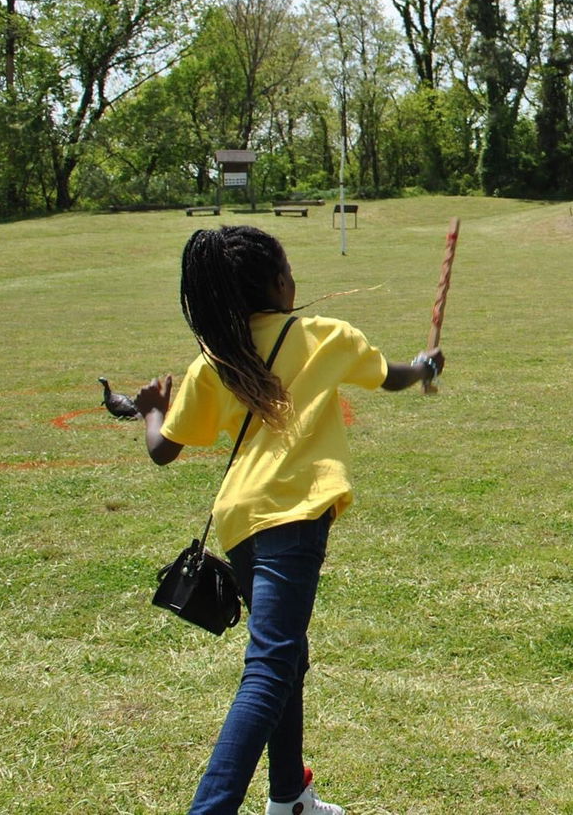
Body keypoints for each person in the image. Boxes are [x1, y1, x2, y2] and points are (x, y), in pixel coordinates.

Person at [134, 225, 443, 815]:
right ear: (279, 283)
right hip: (292, 518)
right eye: (291, 271)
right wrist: (425, 366)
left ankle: (289, 797)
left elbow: (163, 448)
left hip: (240, 520)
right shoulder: (325, 337)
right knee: (272, 665)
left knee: (286, 655)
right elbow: (392, 376)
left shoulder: (216, 361)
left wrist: (151, 410)